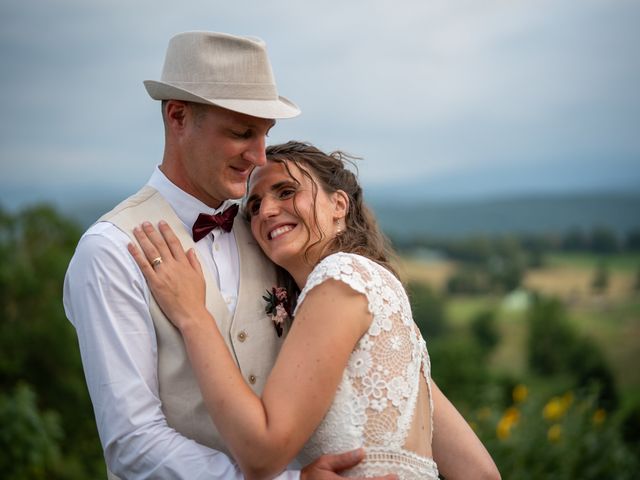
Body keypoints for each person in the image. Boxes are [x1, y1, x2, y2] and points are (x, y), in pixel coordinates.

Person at [64, 31, 380, 480]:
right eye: (240, 133)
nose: (258, 157)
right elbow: (132, 445)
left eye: (265, 135)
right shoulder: (110, 251)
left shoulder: (270, 231)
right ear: (178, 117)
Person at [128, 141, 501, 480]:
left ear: (339, 205)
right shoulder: (378, 296)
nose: (266, 212)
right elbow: (480, 472)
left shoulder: (341, 277)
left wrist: (193, 315)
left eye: (286, 191)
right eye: (253, 206)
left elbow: (261, 454)